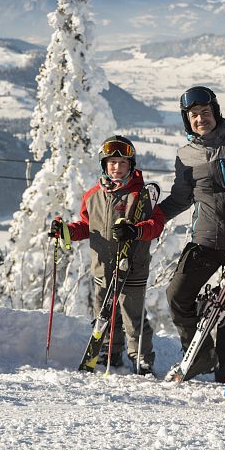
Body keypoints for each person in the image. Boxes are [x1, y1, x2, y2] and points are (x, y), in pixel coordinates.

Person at [113, 86, 225, 383]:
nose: (200, 119)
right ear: (186, 120)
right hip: (205, 239)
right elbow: (180, 198)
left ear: (215, 112)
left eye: (205, 112)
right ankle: (200, 355)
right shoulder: (185, 156)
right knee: (177, 295)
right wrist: (145, 221)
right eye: (193, 115)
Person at [50, 135, 156, 375]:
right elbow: (88, 226)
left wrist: (135, 230)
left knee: (133, 316)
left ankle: (141, 357)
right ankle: (110, 351)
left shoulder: (141, 195)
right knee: (105, 314)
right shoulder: (93, 195)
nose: (116, 168)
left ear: (131, 165)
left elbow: (155, 224)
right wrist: (65, 231)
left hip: (132, 267)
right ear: (104, 165)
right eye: (111, 163)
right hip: (103, 268)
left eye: (122, 163)